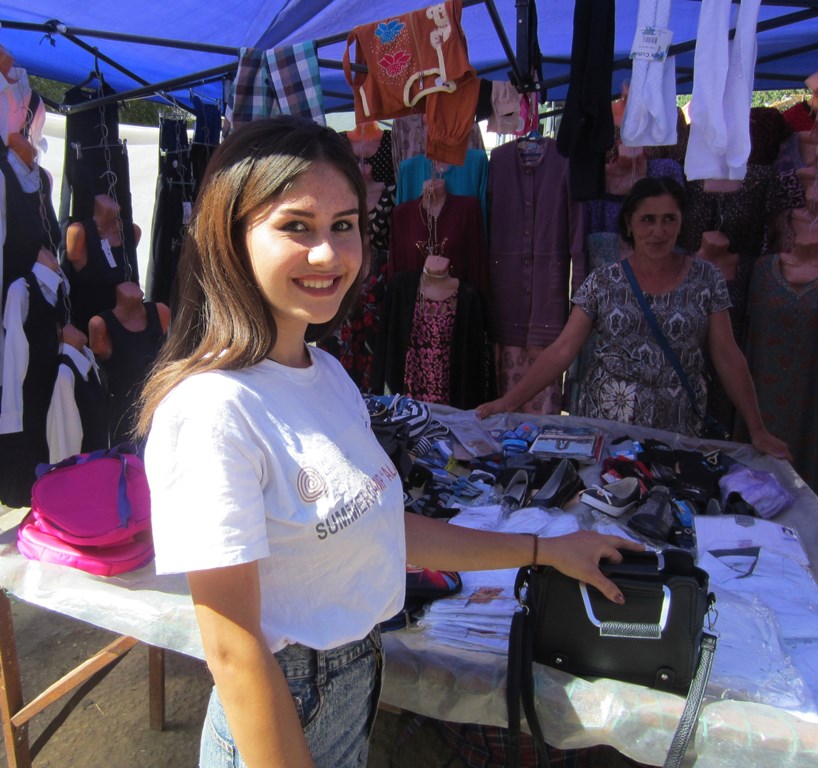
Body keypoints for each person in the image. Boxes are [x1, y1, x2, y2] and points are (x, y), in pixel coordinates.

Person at [135, 116, 641, 768]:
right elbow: (235, 654)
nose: (328, 253)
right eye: (296, 226)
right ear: (232, 238)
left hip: (354, 675)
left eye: (343, 225)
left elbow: (381, 530)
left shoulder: (326, 374)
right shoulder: (212, 411)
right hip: (283, 704)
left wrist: (546, 550)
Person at [476, 176, 791, 461]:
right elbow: (562, 350)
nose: (658, 231)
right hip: (606, 429)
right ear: (630, 222)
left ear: (681, 222)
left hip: (676, 429)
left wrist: (757, 429)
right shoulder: (604, 281)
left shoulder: (705, 279)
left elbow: (727, 354)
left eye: (669, 219)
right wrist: (507, 402)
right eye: (647, 220)